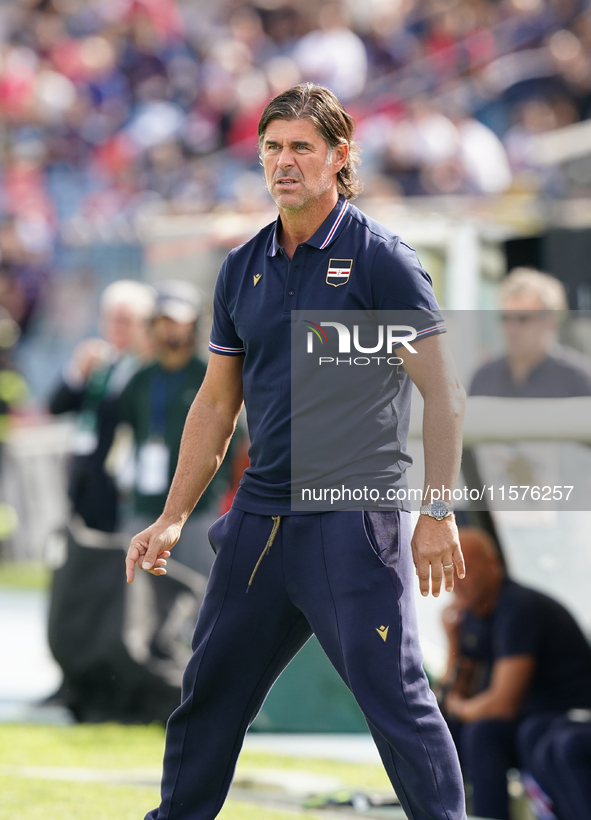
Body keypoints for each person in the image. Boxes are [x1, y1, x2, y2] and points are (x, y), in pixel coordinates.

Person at [126, 83, 468, 820]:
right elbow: (217, 404)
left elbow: (443, 395)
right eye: (272, 148)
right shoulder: (240, 265)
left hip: (352, 518)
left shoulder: (381, 260)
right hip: (258, 522)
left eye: (301, 148)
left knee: (396, 703)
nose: (283, 162)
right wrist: (173, 516)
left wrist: (437, 511)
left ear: (339, 157)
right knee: (207, 697)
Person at [441, 527, 591, 820]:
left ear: (493, 565)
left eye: (465, 569)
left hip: (569, 712)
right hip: (532, 717)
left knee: (484, 732)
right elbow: (451, 693)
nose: (458, 582)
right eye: (451, 571)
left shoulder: (518, 607)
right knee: (451, 732)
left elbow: (501, 704)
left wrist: (460, 707)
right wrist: (452, 644)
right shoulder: (472, 617)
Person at [119, 280, 235, 577]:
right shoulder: (140, 379)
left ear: (194, 325)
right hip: (144, 504)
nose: (171, 330)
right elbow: (129, 429)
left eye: (178, 322)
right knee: (141, 593)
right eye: (164, 321)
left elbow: (234, 440)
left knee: (201, 590)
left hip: (199, 509)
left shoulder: (210, 376)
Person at [49, 279, 156, 532]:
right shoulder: (101, 365)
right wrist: (77, 371)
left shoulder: (147, 369)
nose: (117, 328)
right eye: (111, 319)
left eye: (126, 321)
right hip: (86, 477)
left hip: (123, 484)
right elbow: (56, 406)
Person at [470, 266, 591, 398]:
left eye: (523, 319)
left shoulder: (578, 380)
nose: (512, 328)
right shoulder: (483, 378)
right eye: (506, 318)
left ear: (550, 321)